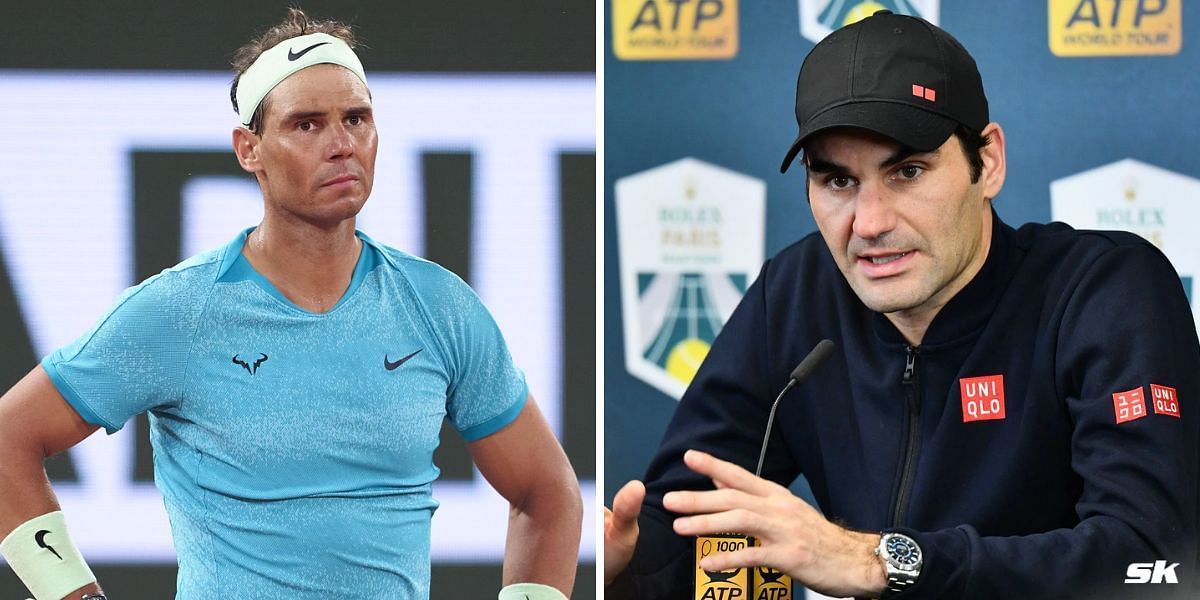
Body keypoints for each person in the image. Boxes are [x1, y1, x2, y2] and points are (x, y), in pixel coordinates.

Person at [605, 10, 1198, 600]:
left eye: (907, 171)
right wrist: (625, 565)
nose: (869, 223)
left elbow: (1157, 561)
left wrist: (883, 562)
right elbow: (689, 527)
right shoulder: (796, 295)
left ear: (986, 162)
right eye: (838, 181)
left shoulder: (1102, 289)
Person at [0, 8, 581, 599]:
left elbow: (547, 489)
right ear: (248, 150)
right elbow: (6, 441)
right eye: (307, 125)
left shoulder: (440, 307)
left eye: (357, 119)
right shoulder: (179, 311)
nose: (341, 145)